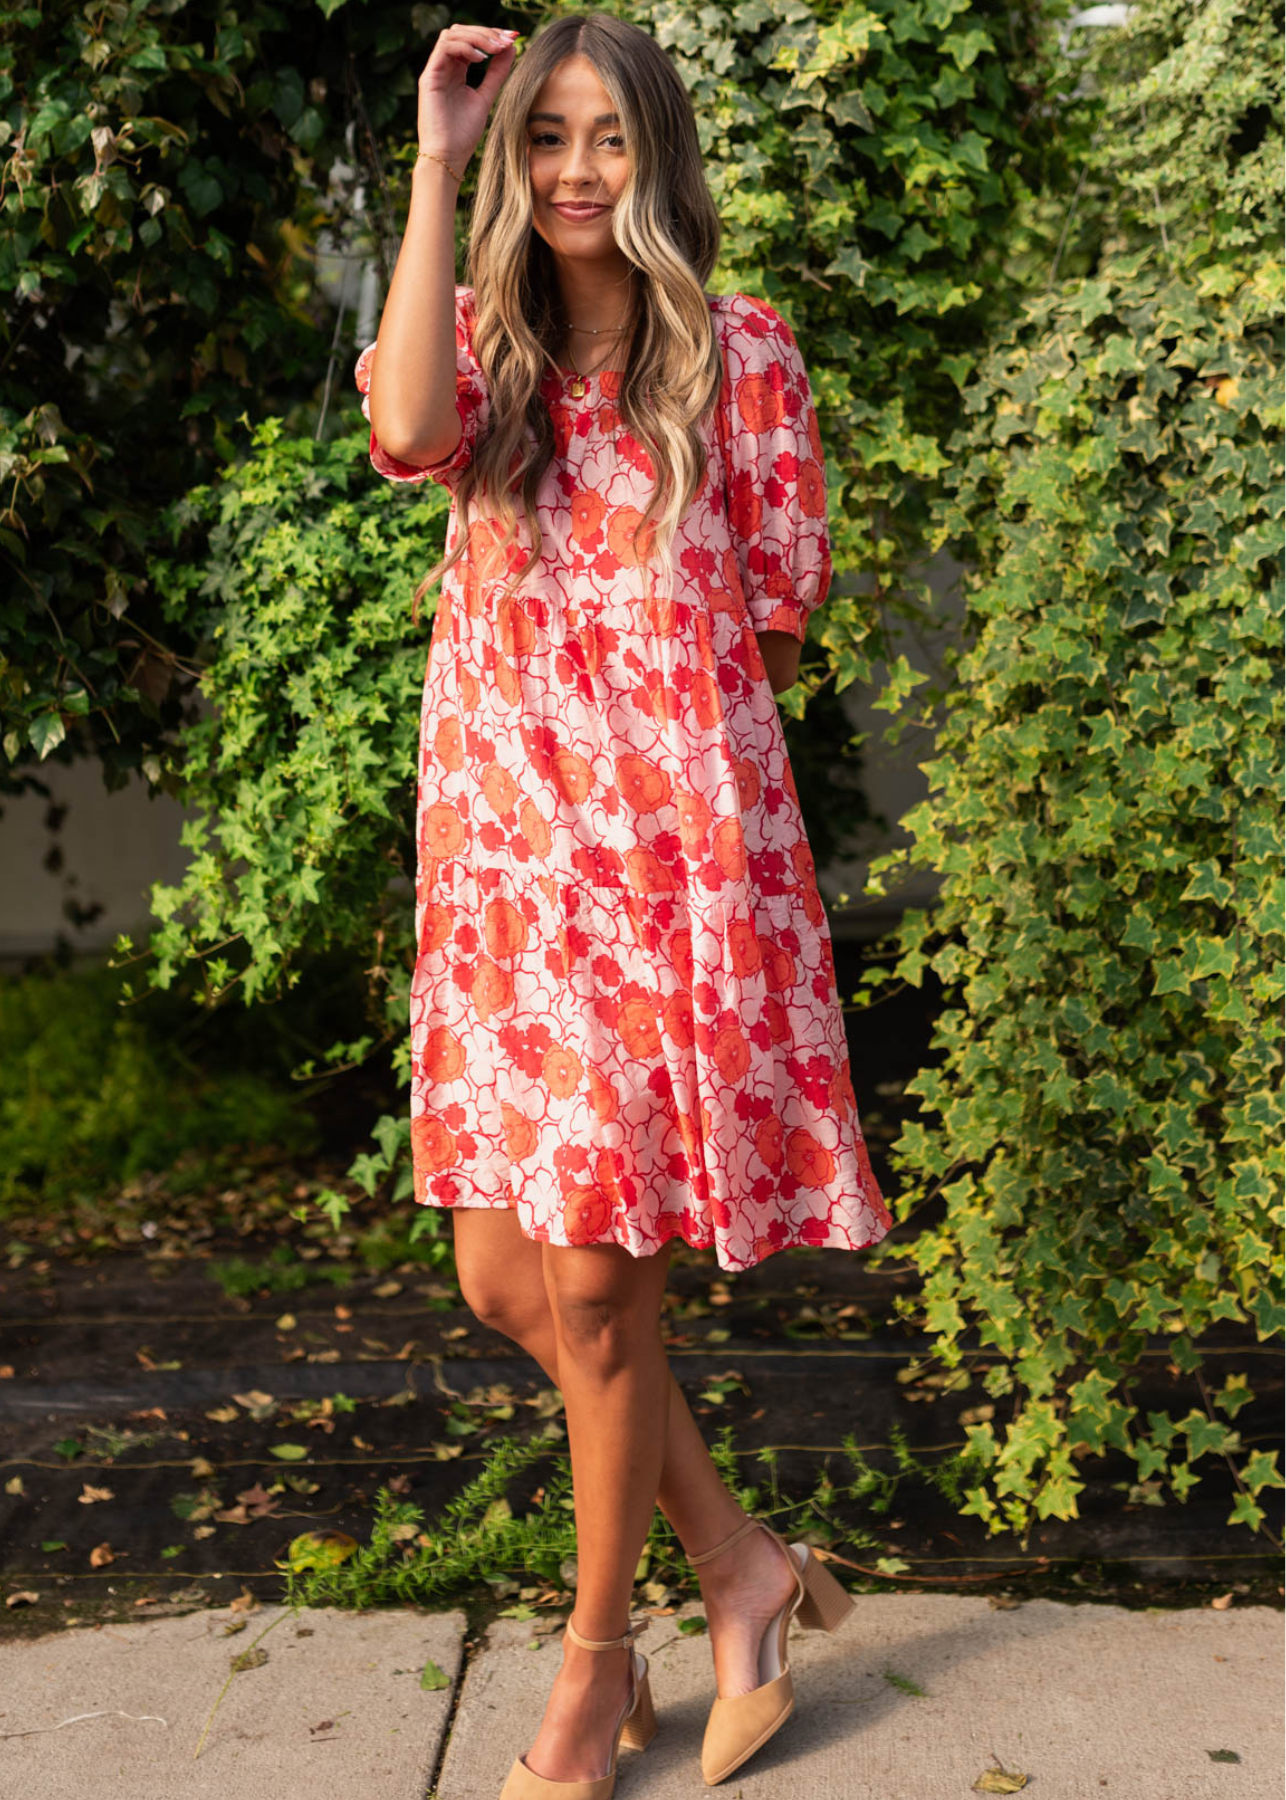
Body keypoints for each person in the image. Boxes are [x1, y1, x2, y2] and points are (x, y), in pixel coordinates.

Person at [355, 13, 893, 1796]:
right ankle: (744, 1572)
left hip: (659, 867)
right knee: (505, 1275)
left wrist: (680, 854)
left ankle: (594, 1681)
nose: (577, 170)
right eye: (545, 140)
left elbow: (780, 626)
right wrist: (435, 153)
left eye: (607, 138)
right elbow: (407, 427)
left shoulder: (738, 352)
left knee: (595, 1288)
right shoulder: (487, 340)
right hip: (507, 858)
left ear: (656, 158)